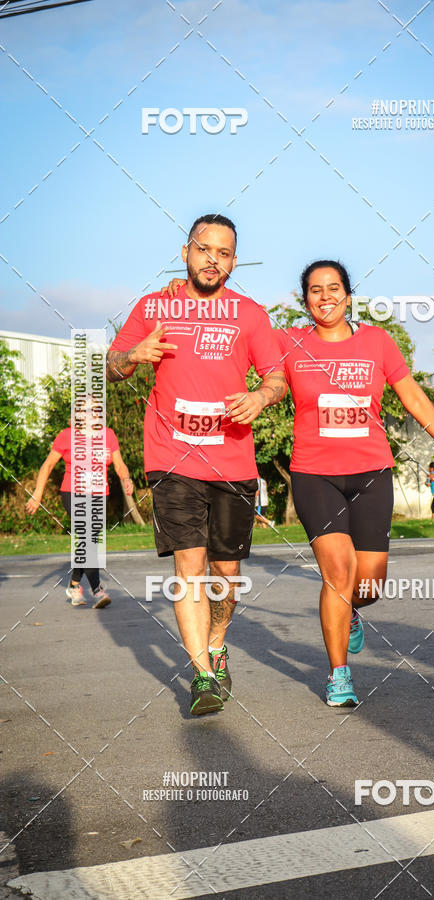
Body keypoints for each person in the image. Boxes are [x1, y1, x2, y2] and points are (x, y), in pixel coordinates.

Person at [278, 261, 434, 707]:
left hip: (372, 472)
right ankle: (339, 675)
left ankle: (351, 612)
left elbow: (413, 397)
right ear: (305, 301)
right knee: (337, 572)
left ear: (348, 295)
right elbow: (241, 331)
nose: (324, 296)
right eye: (314, 290)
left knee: (369, 586)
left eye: (333, 288)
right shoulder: (289, 342)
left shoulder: (377, 342)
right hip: (315, 473)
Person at [108, 214, 286, 716]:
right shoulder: (154, 306)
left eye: (224, 252)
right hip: (172, 458)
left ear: (234, 261)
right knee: (190, 568)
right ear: (186, 252)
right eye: (204, 249)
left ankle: (218, 640)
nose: (213, 259)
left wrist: (261, 396)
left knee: (225, 574)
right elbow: (112, 367)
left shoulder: (250, 314)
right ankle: (203, 675)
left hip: (232, 461)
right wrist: (134, 355)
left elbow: (276, 377)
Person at [26, 418, 133, 608]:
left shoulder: (108, 435)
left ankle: (74, 585)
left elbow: (119, 463)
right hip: (73, 493)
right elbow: (48, 465)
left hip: (100, 495)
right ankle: (97, 590)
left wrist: (126, 478)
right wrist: (37, 494)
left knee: (90, 540)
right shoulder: (66, 435)